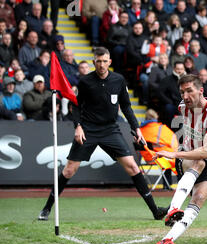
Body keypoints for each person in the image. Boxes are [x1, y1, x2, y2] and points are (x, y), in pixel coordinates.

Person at [37, 47, 167, 221]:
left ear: (110, 62)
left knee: (133, 167)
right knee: (69, 170)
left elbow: (126, 106)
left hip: (110, 129)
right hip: (88, 129)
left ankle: (155, 211)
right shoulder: (85, 82)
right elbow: (76, 106)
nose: (101, 64)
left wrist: (136, 128)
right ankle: (46, 209)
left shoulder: (118, 80)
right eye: (98, 61)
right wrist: (78, 126)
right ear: (93, 62)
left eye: (105, 61)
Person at [154, 74, 207, 244]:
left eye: (189, 91)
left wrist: (173, 153)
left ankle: (167, 239)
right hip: (189, 159)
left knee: (199, 198)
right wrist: (180, 154)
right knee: (198, 162)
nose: (185, 96)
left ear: (201, 91)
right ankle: (173, 209)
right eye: (182, 92)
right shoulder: (183, 107)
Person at [139, 108, 179, 190]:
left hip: (147, 158)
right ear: (156, 117)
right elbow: (173, 141)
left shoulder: (140, 130)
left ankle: (167, 185)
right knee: (176, 160)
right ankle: (176, 184)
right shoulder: (161, 128)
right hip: (158, 158)